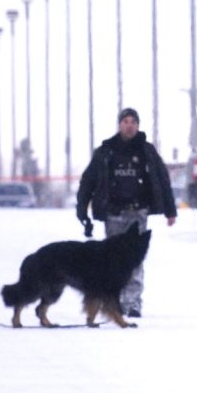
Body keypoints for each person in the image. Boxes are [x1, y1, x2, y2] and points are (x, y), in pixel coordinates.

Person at [76, 107, 177, 317]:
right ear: (119, 124)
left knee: (135, 260)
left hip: (138, 212)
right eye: (125, 121)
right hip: (113, 213)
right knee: (113, 261)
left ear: (138, 125)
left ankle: (132, 303)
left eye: (133, 122)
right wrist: (82, 209)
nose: (129, 125)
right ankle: (115, 301)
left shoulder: (146, 151)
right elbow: (88, 181)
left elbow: (162, 179)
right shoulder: (106, 151)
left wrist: (170, 210)